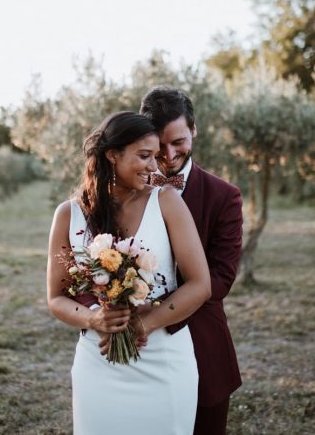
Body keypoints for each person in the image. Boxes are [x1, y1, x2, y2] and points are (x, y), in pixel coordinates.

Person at [47, 111, 211, 434]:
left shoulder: (167, 202)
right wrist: (93, 319)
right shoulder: (69, 215)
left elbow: (200, 284)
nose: (154, 166)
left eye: (155, 157)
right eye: (144, 156)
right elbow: (56, 297)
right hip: (98, 361)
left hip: (162, 359)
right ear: (112, 155)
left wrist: (144, 324)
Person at [139, 87, 244, 435]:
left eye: (179, 141)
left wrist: (156, 313)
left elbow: (221, 280)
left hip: (201, 345)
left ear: (194, 130)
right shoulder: (126, 193)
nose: (168, 155)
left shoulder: (223, 196)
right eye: (159, 144)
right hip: (136, 349)